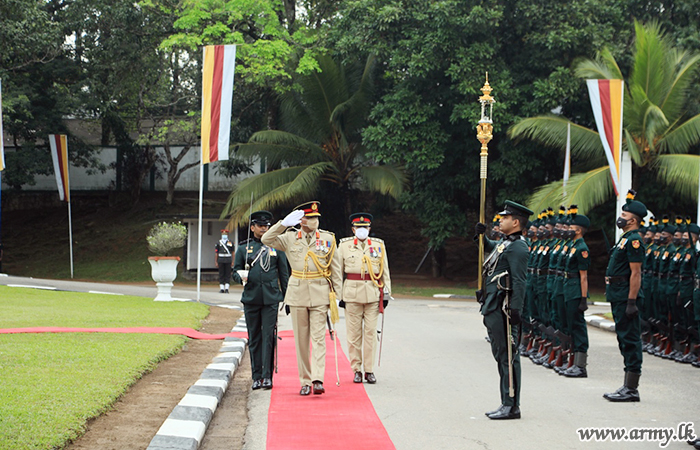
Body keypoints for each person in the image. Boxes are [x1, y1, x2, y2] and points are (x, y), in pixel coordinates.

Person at [262, 201, 342, 396]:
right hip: (297, 293)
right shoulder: (289, 238)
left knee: (318, 338)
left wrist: (337, 297)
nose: (315, 221)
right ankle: (305, 380)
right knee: (301, 340)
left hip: (320, 293)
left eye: (316, 218)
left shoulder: (328, 238)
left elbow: (336, 269)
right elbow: (266, 238)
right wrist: (283, 224)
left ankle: (317, 379)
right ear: (301, 220)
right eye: (310, 218)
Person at [475, 200, 532, 420]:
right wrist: (482, 237)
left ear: (516, 222)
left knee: (508, 355)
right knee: (501, 355)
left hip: (504, 309)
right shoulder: (506, 243)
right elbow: (492, 249)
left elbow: (519, 281)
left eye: (505, 218)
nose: (500, 220)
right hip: (493, 305)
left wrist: (516, 310)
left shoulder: (518, 246)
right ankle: (505, 402)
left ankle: (511, 405)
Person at [232, 211, 289, 390]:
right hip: (251, 298)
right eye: (261, 226)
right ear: (253, 227)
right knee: (254, 337)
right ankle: (256, 376)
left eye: (267, 226)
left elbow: (284, 274)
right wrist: (240, 276)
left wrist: (287, 298)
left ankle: (267, 376)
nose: (264, 229)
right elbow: (234, 271)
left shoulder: (277, 247)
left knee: (268, 337)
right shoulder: (244, 248)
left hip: (271, 298)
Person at [603, 190, 646, 402]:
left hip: (625, 296)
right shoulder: (625, 239)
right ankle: (627, 385)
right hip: (617, 294)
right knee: (623, 338)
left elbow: (636, 273)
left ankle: (632, 389)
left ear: (634, 220)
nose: (621, 217)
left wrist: (631, 301)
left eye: (625, 214)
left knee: (629, 339)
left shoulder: (634, 240)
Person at [338, 213, 392, 384]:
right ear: (353, 229)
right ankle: (356, 369)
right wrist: (339, 295)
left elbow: (385, 271)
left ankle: (369, 370)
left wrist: (387, 293)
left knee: (370, 333)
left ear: (370, 229)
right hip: (352, 295)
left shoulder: (378, 245)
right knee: (353, 335)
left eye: (365, 227)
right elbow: (337, 272)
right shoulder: (344, 246)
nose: (362, 230)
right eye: (359, 228)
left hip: (373, 294)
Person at [561, 206, 590, 378]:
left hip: (575, 291)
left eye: (571, 228)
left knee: (578, 327)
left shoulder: (582, 248)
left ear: (578, 230)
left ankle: (581, 365)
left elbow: (584, 277)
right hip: (568, 288)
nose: (567, 230)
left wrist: (583, 298)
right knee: (571, 325)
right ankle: (573, 362)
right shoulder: (573, 246)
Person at [215, 229, 234, 293]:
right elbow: (216, 253)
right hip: (221, 259)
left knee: (228, 274)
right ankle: (222, 288)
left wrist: (233, 261)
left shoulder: (230, 242)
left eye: (225, 234)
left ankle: (227, 288)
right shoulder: (218, 243)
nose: (224, 235)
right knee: (221, 274)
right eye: (223, 234)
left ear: (227, 235)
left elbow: (233, 252)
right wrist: (216, 261)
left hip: (228, 259)